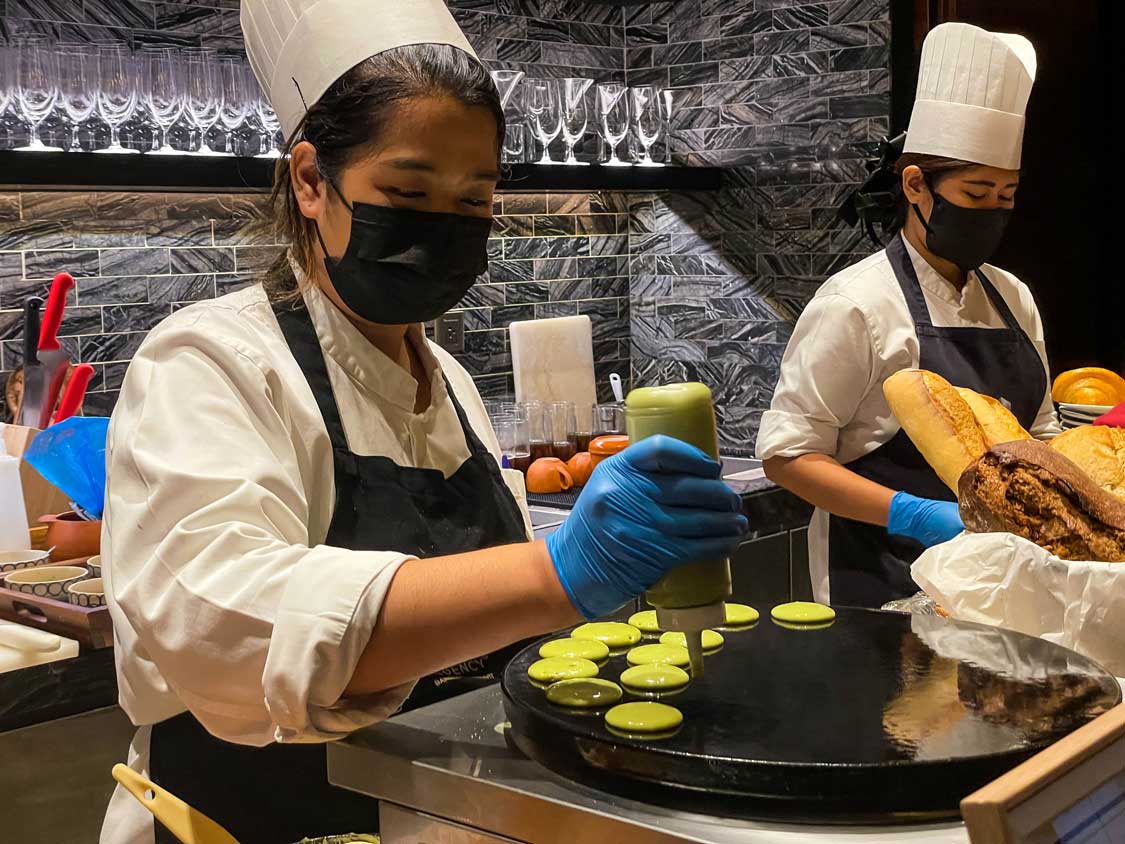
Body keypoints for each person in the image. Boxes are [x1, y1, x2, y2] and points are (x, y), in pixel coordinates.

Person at [99, 1, 748, 841]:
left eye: (473, 199)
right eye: (406, 192)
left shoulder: (444, 377)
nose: (441, 227)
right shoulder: (209, 361)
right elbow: (227, 628)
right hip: (259, 814)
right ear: (309, 180)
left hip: (439, 813)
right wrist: (558, 571)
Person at [757, 22, 1060, 610]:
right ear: (916, 184)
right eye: (976, 195)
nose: (994, 214)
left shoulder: (1013, 297)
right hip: (886, 589)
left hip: (1009, 588)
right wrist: (912, 513)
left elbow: (1041, 436)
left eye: (1008, 196)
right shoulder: (855, 304)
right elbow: (788, 457)